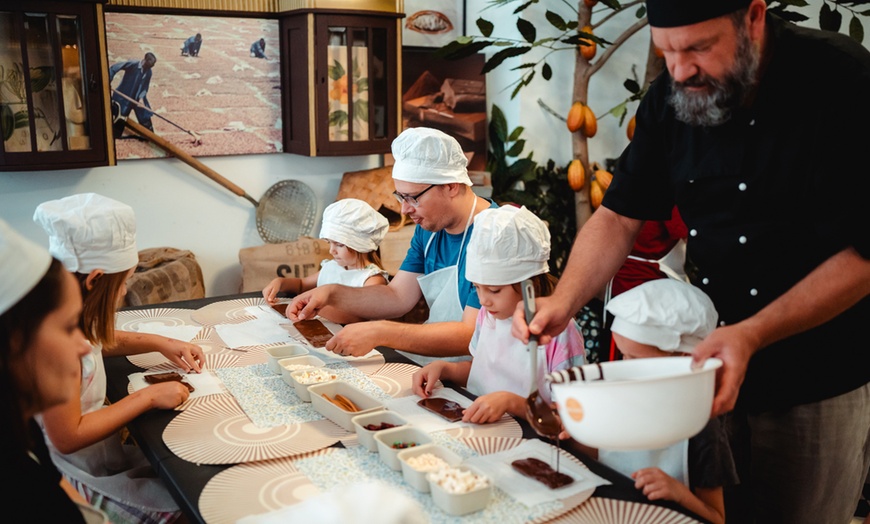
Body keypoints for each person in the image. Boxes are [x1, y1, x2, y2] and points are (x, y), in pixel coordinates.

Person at [513, 1, 870, 522]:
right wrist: (564, 300)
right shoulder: (669, 96)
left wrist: (751, 334)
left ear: (753, 17)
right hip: (703, 366)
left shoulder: (841, 80)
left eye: (699, 48)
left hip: (816, 371)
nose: (680, 70)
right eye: (667, 51)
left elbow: (863, 254)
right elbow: (618, 216)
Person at [33, 193, 204, 524]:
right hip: (77, 476)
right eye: (123, 284)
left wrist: (160, 342)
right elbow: (67, 437)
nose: (124, 292)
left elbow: (96, 340)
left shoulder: (68, 316)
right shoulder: (55, 345)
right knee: (187, 506)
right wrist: (149, 396)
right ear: (96, 279)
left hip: (102, 457)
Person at [286, 127, 497, 365]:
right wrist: (331, 294)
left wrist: (382, 332)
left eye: (413, 197)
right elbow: (397, 297)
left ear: (450, 185)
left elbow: (472, 334)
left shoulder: (494, 236)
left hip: (481, 372)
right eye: (401, 197)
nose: (404, 210)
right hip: (438, 362)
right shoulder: (428, 230)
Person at [412, 206, 586, 423]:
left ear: (529, 283)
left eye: (494, 290)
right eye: (476, 288)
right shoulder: (488, 315)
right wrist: (444, 369)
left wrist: (511, 402)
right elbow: (481, 373)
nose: (483, 300)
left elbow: (571, 413)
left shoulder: (560, 332)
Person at [592, 278, 738, 524]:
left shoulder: (703, 429)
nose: (624, 369)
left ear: (684, 358)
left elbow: (717, 518)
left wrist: (678, 493)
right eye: (622, 356)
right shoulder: (620, 400)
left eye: (635, 359)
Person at [0, 219, 102, 522]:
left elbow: (53, 480)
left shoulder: (20, 426)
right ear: (15, 341)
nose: (84, 346)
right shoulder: (16, 495)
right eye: (69, 327)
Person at [262, 198, 390, 324]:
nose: (331, 251)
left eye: (339, 245)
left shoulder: (372, 280)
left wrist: (315, 307)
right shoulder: (332, 267)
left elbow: (357, 317)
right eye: (329, 243)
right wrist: (280, 282)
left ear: (361, 245)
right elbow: (301, 285)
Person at [109, 52, 157, 138]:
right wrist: (108, 78)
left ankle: (150, 136)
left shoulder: (149, 72)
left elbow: (145, 87)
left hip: (136, 98)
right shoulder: (133, 64)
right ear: (145, 60)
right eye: (149, 65)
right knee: (121, 117)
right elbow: (115, 67)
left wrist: (141, 98)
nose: (149, 68)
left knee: (145, 114)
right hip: (123, 97)